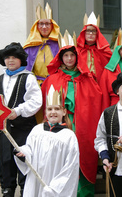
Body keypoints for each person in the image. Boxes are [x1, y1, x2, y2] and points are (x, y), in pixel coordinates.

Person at [41, 30, 102, 197]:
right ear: (61, 58)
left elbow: (95, 103)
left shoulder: (87, 78)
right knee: (60, 157)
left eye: (72, 55)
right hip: (61, 125)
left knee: (82, 156)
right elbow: (47, 106)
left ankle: (83, 193)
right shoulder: (53, 79)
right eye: (65, 55)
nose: (69, 59)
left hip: (82, 125)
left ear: (77, 57)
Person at [0, 42, 42, 197]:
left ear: (20, 60)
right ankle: (7, 189)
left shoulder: (28, 78)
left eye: (14, 57)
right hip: (4, 129)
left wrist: (18, 111)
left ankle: (26, 190)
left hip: (23, 128)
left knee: (24, 158)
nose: (10, 60)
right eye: (7, 57)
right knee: (6, 161)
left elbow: (36, 101)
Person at [14, 85, 79, 197]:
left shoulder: (69, 136)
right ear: (45, 112)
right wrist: (22, 152)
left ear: (64, 112)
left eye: (57, 109)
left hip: (55, 185)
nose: (53, 112)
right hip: (36, 180)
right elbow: (29, 149)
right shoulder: (37, 130)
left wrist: (55, 187)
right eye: (49, 109)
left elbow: (71, 167)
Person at [23, 3, 60, 86]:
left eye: (47, 24)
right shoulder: (30, 45)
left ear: (52, 25)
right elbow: (25, 68)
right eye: (41, 24)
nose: (44, 27)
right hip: (35, 85)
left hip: (55, 83)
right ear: (37, 25)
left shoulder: (59, 44)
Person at [77, 12, 112, 82]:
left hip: (100, 84)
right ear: (84, 32)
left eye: (93, 31)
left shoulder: (104, 51)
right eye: (88, 31)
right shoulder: (77, 50)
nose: (90, 33)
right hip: (83, 84)